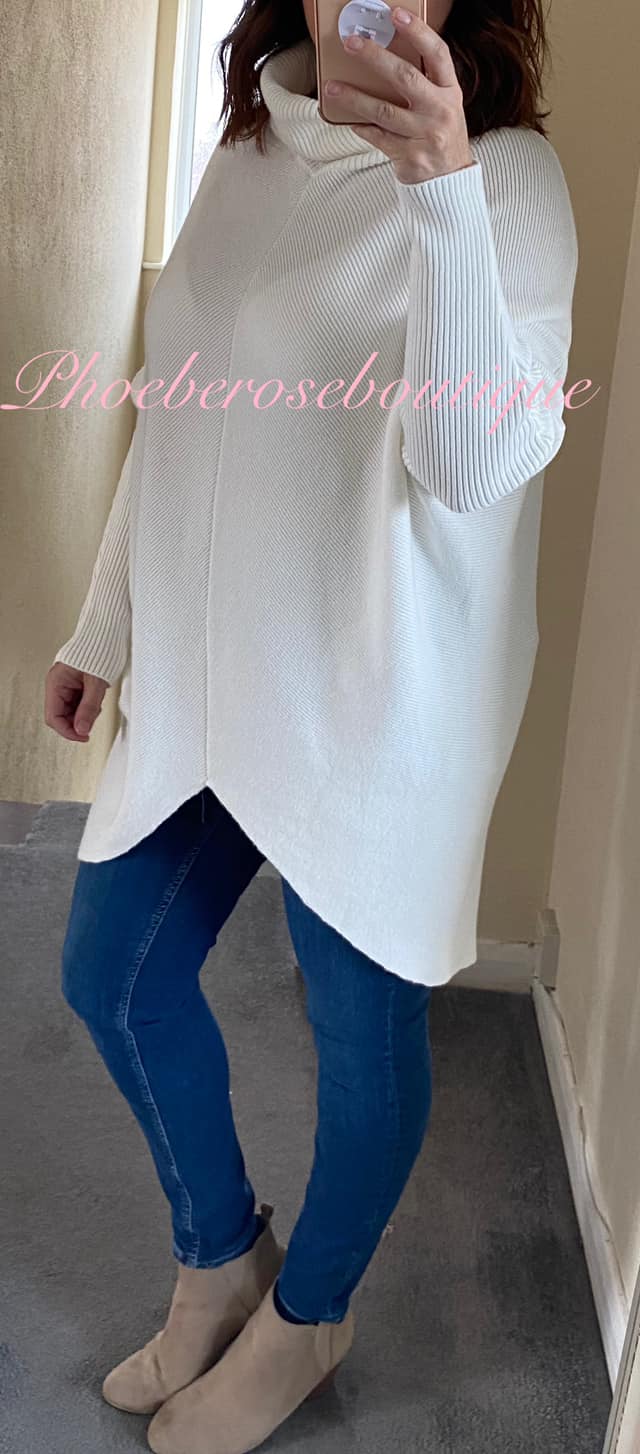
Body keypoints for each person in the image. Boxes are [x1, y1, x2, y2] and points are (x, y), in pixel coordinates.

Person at [45, 2, 578, 1451]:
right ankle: (221, 1259)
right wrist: (106, 623)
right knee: (112, 974)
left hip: (371, 703)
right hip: (214, 677)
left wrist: (440, 191)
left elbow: (471, 462)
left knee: (360, 1030)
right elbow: (179, 406)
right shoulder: (250, 147)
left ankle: (310, 1315)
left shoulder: (510, 183)